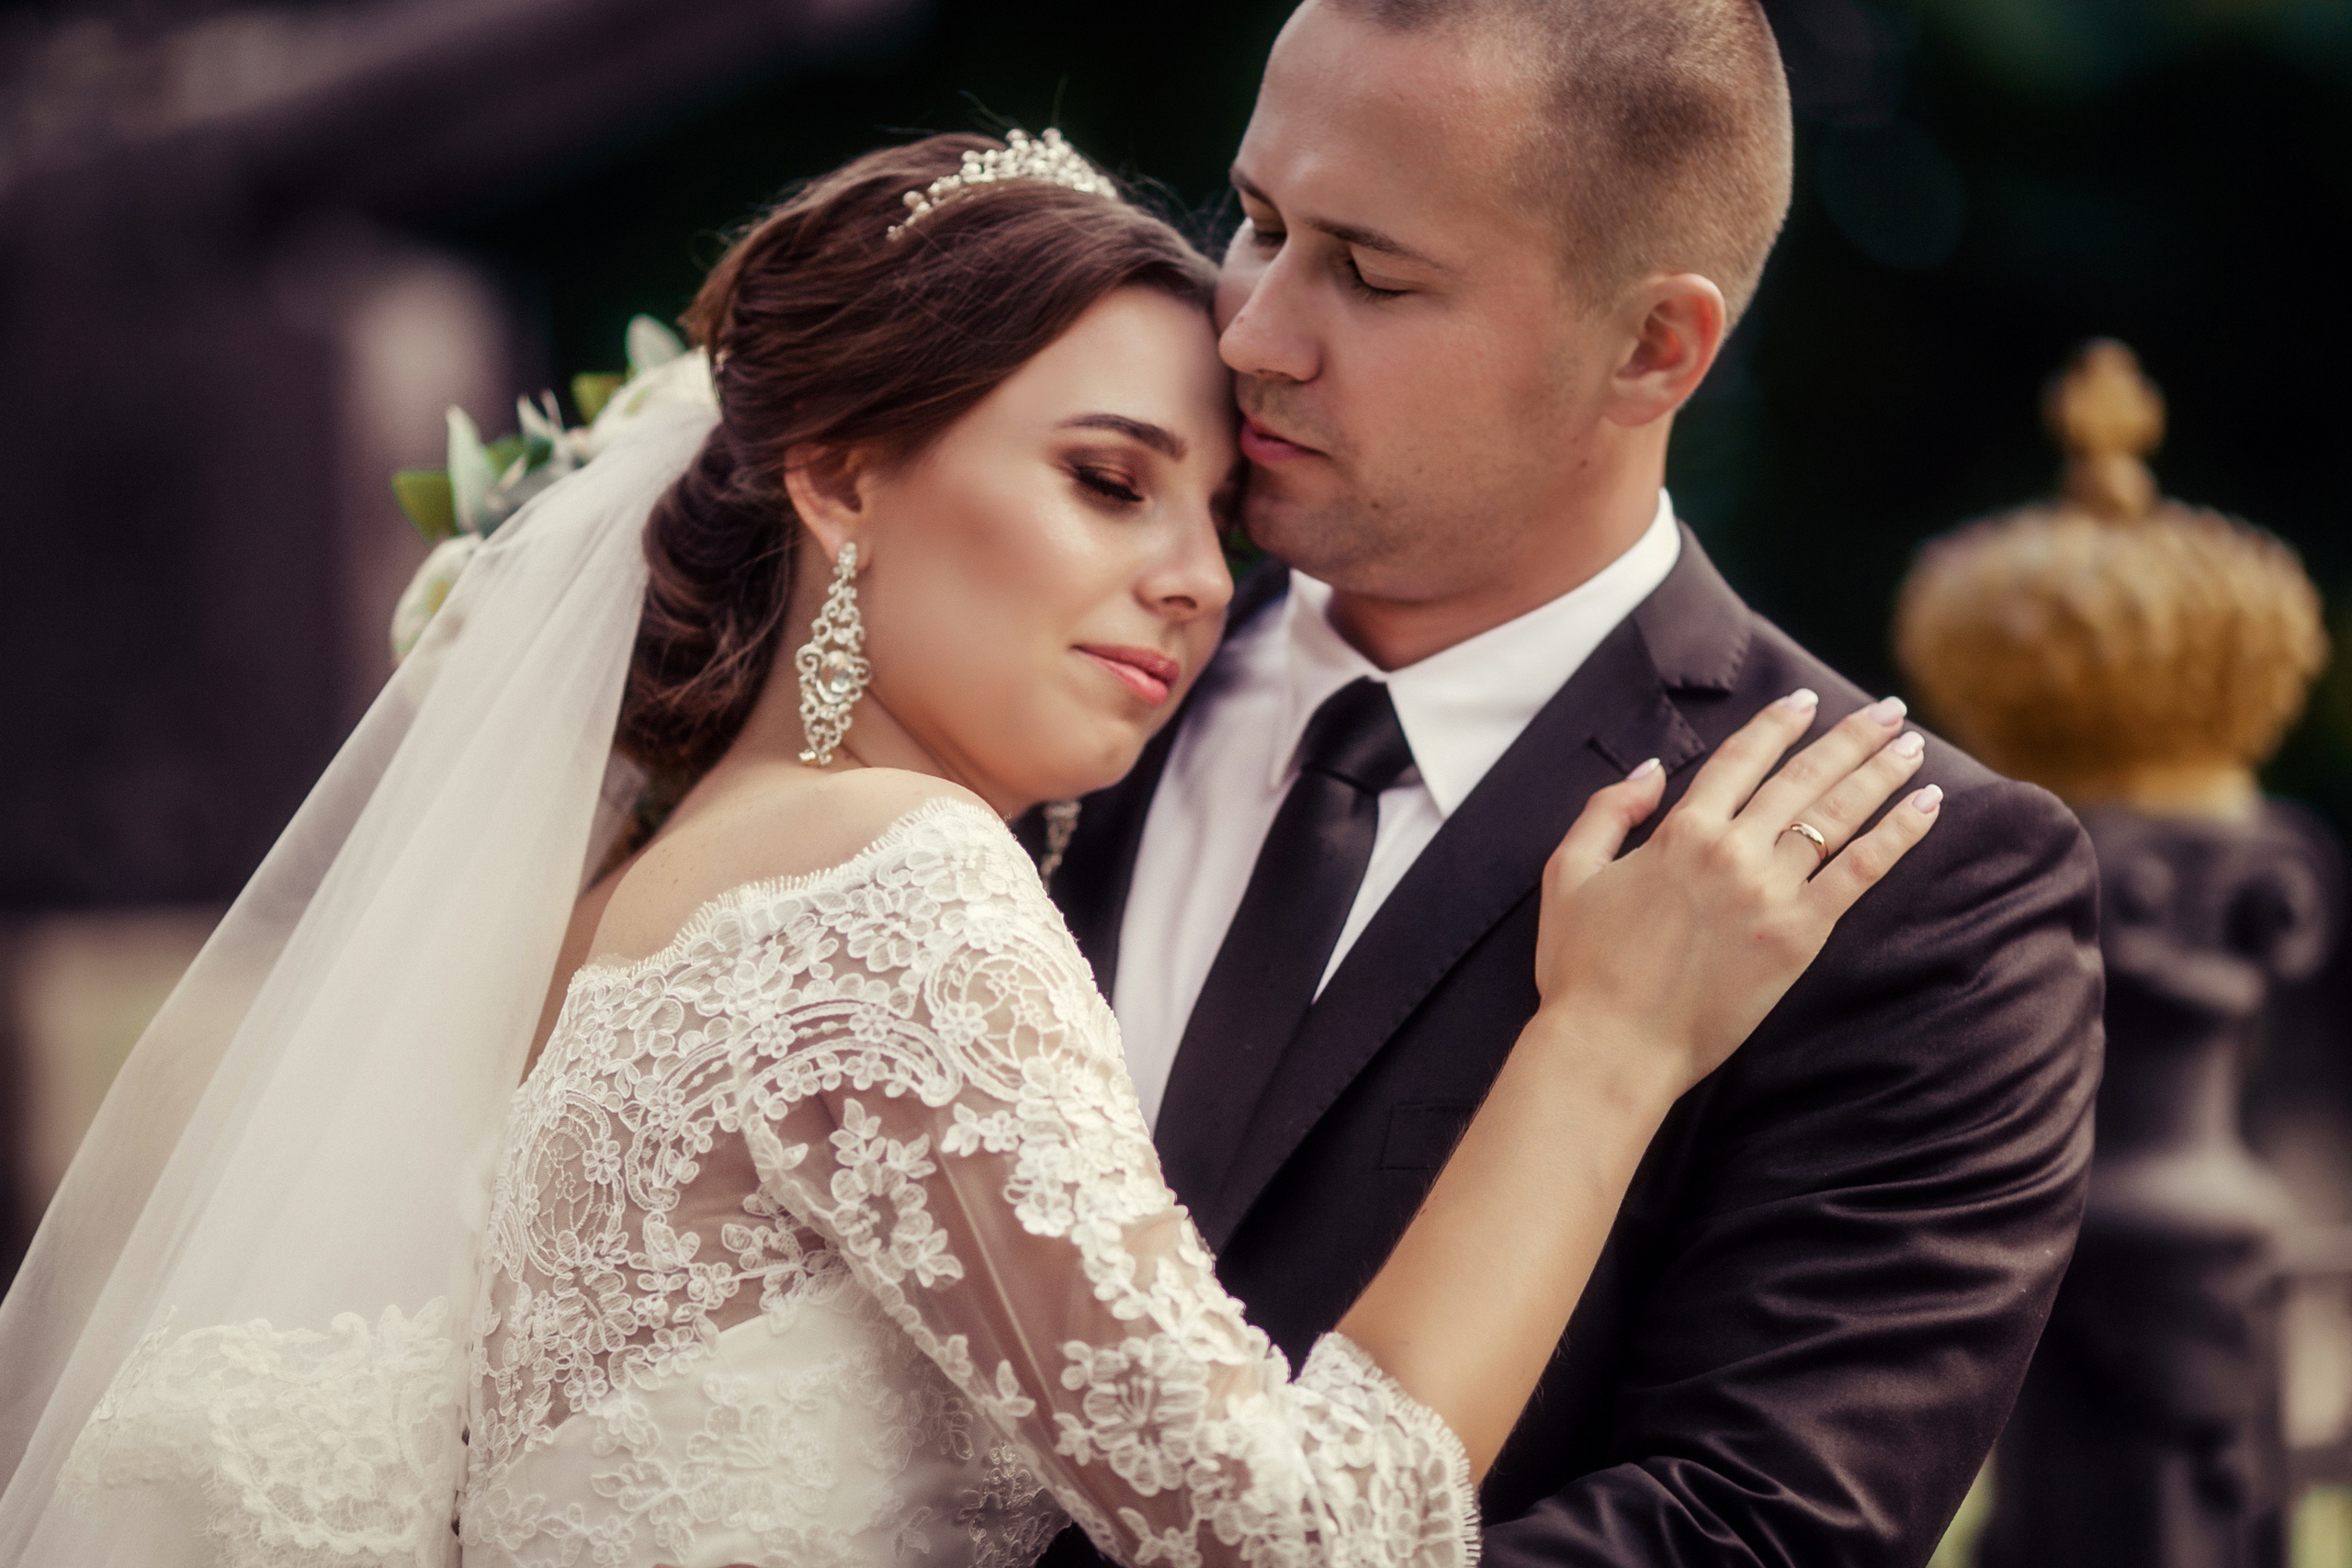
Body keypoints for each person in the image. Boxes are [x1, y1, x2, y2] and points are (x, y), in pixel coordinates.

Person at [0, 133, 1938, 1568]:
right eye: (1104, 480)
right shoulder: (891, 884)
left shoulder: (630, 907)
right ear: (841, 473)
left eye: (1216, 525)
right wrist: (1603, 1048)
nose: (1188, 584)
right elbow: (1295, 1535)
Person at [1035, 4, 2105, 1567]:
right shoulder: (1030, 665)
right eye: (1256, 223)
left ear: (1653, 347)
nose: (1253, 328)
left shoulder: (1914, 887)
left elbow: (1750, 1528)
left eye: (1374, 273)